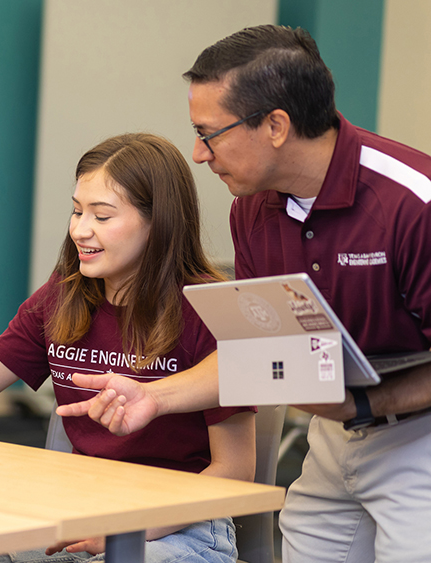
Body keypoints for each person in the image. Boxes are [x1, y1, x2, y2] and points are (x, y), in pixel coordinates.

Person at [62, 25, 431, 563]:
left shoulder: (412, 203)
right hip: (335, 438)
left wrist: (370, 402)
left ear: (276, 126)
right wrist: (154, 397)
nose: (197, 153)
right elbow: (259, 354)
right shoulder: (252, 209)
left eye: (208, 133)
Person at [0, 133, 256, 562]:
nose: (80, 230)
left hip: (181, 527)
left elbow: (235, 471)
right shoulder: (63, 297)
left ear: (158, 221)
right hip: (82, 508)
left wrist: (129, 530)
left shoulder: (208, 307)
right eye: (76, 210)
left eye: (102, 216)